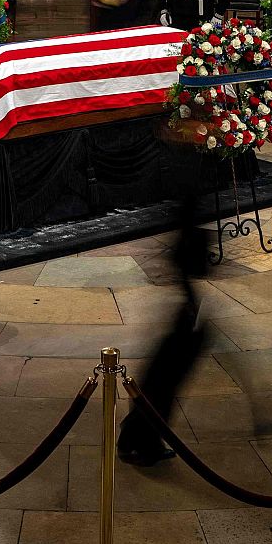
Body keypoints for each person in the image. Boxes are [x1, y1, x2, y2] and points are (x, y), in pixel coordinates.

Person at [116, 192, 210, 466]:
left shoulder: (187, 232)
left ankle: (138, 436)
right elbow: (196, 269)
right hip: (185, 316)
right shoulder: (191, 238)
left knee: (161, 377)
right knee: (164, 381)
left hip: (184, 314)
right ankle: (142, 440)